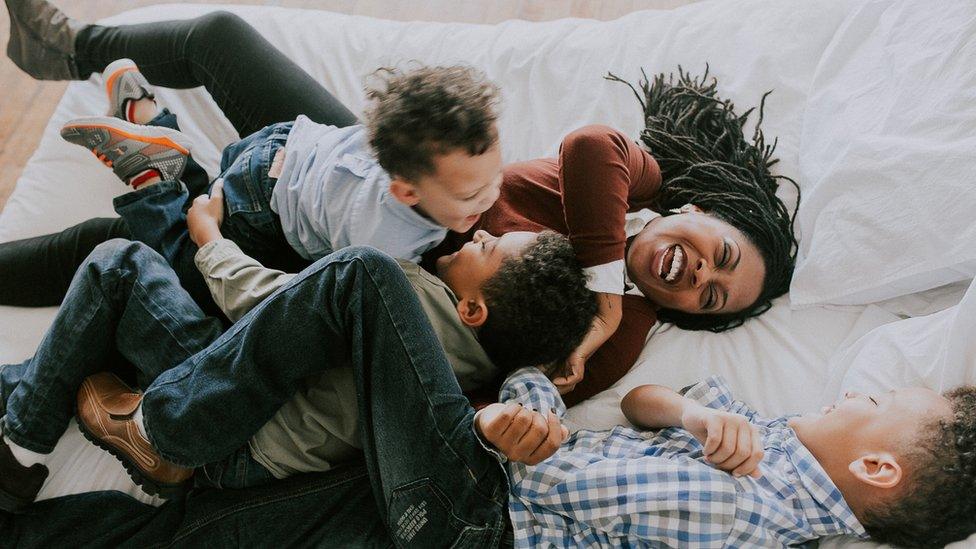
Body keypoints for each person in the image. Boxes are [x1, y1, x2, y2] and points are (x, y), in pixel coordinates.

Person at [2, 1, 799, 403]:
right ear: (701, 211)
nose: (694, 274)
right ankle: (65, 49)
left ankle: (162, 168)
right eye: (717, 253)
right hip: (397, 183)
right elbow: (591, 144)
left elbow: (498, 382)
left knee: (110, 247)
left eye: (708, 296)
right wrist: (605, 290)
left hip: (354, 261)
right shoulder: (629, 210)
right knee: (220, 36)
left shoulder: (618, 342)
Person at [6, 242, 973, 546]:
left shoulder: (753, 509)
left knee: (362, 284)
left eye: (899, 400)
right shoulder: (763, 438)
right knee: (207, 522)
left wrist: (524, 429)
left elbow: (556, 483)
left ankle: (165, 427)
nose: (879, 387)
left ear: (880, 463)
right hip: (468, 487)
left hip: (479, 515)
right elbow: (637, 408)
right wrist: (682, 409)